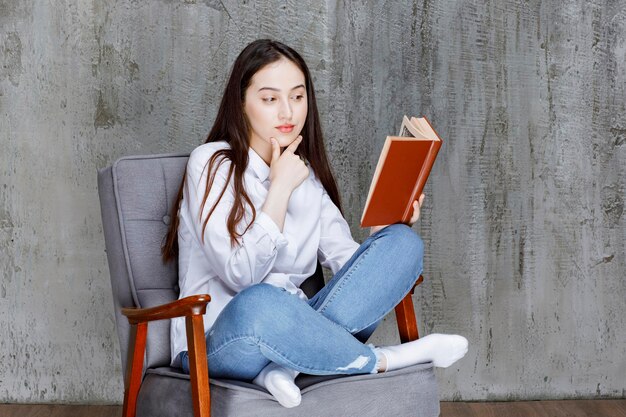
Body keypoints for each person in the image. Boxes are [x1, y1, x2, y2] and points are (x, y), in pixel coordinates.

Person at [162, 39, 468, 408]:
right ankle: (389, 358)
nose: (287, 111)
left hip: (298, 328)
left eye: (297, 96)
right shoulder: (211, 164)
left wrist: (380, 239)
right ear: (241, 104)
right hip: (219, 339)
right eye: (270, 99)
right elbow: (240, 276)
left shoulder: (309, 180)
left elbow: (349, 271)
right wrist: (279, 188)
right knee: (260, 302)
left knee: (402, 243)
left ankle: (282, 368)